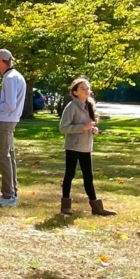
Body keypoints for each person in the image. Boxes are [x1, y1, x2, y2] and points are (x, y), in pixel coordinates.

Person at [59, 78, 116, 216]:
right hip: (73, 146)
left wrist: (93, 130)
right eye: (83, 88)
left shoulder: (89, 106)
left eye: (87, 88)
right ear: (75, 92)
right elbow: (63, 128)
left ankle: (96, 207)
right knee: (70, 174)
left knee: (88, 176)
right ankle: (65, 205)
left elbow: (90, 125)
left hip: (86, 147)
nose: (86, 91)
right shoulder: (71, 107)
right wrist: (83, 127)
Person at [0, 49, 26, 207]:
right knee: (9, 156)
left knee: (3, 157)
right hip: (10, 120)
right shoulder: (16, 76)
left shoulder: (9, 78)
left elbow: (10, 105)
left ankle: (8, 195)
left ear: (1, 60)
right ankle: (11, 190)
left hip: (5, 120)